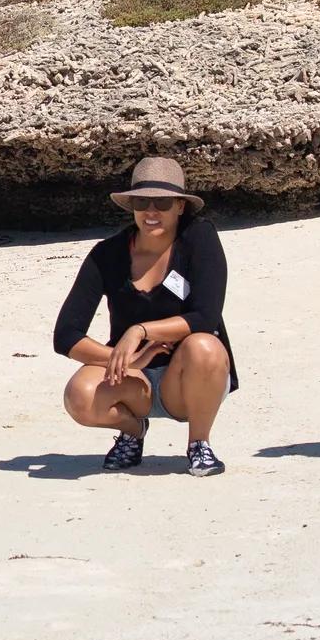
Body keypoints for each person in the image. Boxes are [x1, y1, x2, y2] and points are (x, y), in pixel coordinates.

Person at [53, 157, 238, 477]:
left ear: (180, 206)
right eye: (142, 201)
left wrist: (140, 331)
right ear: (131, 206)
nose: (151, 211)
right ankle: (133, 431)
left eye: (162, 202)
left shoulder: (199, 238)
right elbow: (66, 335)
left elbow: (206, 317)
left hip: (189, 379)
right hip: (132, 381)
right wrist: (125, 359)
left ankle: (199, 443)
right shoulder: (106, 254)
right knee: (78, 396)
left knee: (204, 345)